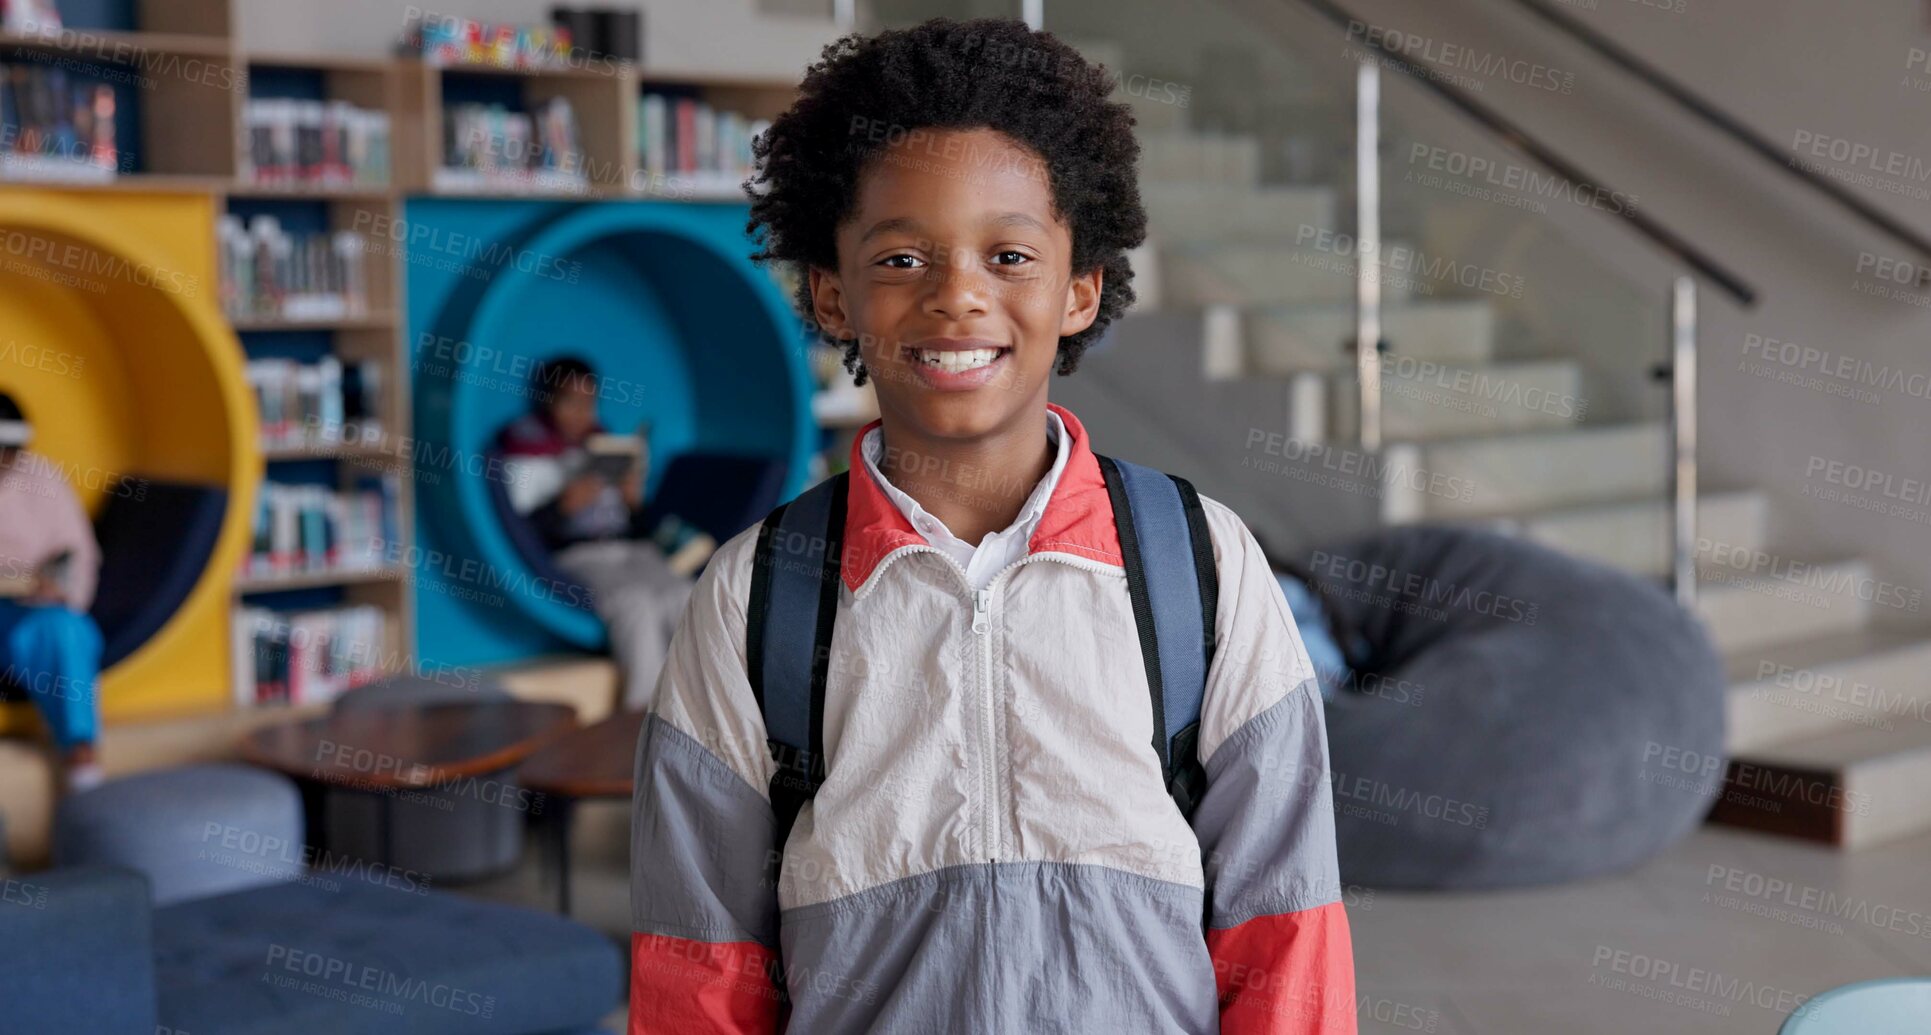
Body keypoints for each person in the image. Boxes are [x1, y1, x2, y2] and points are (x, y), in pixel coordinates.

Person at [626, 18, 1355, 1034]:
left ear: (1079, 289)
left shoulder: (1201, 565)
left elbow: (1286, 930)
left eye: (1008, 254)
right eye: (900, 259)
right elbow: (697, 963)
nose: (956, 295)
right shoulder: (755, 595)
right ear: (831, 297)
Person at [496, 357, 711, 711]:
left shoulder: (605, 444)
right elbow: (523, 534)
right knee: (635, 603)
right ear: (547, 401)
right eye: (570, 401)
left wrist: (633, 502)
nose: (581, 413)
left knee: (681, 594)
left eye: (589, 403)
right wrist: (563, 506)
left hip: (632, 548)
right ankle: (643, 716)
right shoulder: (526, 451)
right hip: (581, 553)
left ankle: (697, 708)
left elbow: (639, 526)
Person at [0, 393, 104, 792]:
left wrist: (55, 586)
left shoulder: (42, 479)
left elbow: (76, 553)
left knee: (64, 631)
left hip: (31, 611)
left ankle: (83, 768)